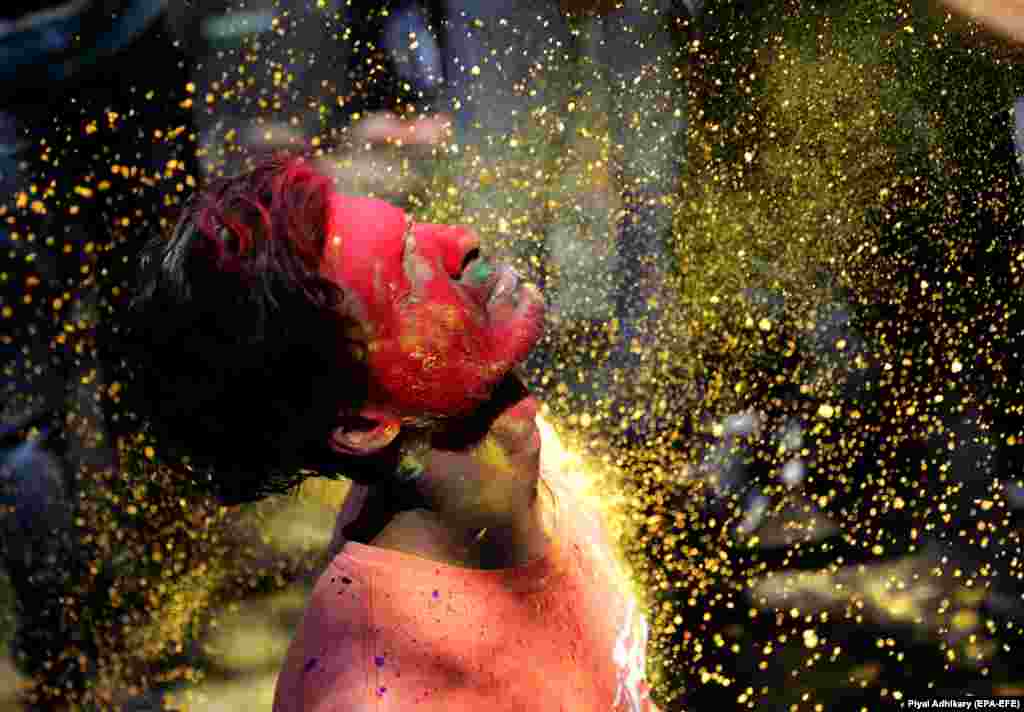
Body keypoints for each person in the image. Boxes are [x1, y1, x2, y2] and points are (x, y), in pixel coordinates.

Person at [126, 154, 662, 710]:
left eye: (416, 226)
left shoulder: (532, 448)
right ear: (362, 425)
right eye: (409, 266)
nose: (463, 241)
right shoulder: (382, 693)